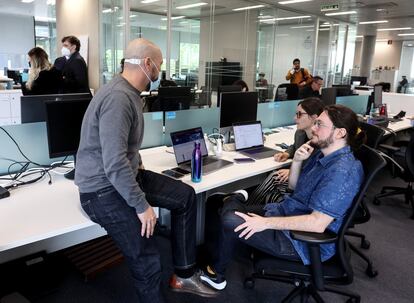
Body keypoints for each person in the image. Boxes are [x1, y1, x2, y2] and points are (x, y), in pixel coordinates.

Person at [74, 38, 216, 302]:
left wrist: (137, 164)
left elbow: (123, 148)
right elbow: (114, 162)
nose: (160, 71)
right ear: (147, 64)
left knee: (185, 196)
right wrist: (141, 206)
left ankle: (184, 275)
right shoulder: (118, 98)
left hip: (124, 177)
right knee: (147, 258)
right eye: (159, 65)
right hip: (101, 191)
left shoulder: (128, 93)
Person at [200, 104, 365, 291]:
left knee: (230, 217)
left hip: (301, 241)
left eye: (320, 124)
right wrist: (296, 161)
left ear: (340, 133)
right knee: (218, 205)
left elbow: (317, 224)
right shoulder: (322, 155)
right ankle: (219, 264)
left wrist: (265, 223)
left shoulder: (341, 172)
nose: (313, 128)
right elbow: (295, 188)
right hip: (286, 212)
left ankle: (232, 204)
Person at [247, 97, 325, 206]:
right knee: (273, 196)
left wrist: (292, 172)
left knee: (274, 178)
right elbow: (295, 146)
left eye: (299, 114)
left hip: (308, 185)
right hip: (298, 179)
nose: (295, 118)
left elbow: (315, 170)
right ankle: (277, 209)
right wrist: (287, 153)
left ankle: (246, 207)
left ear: (314, 118)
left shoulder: (322, 141)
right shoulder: (300, 133)